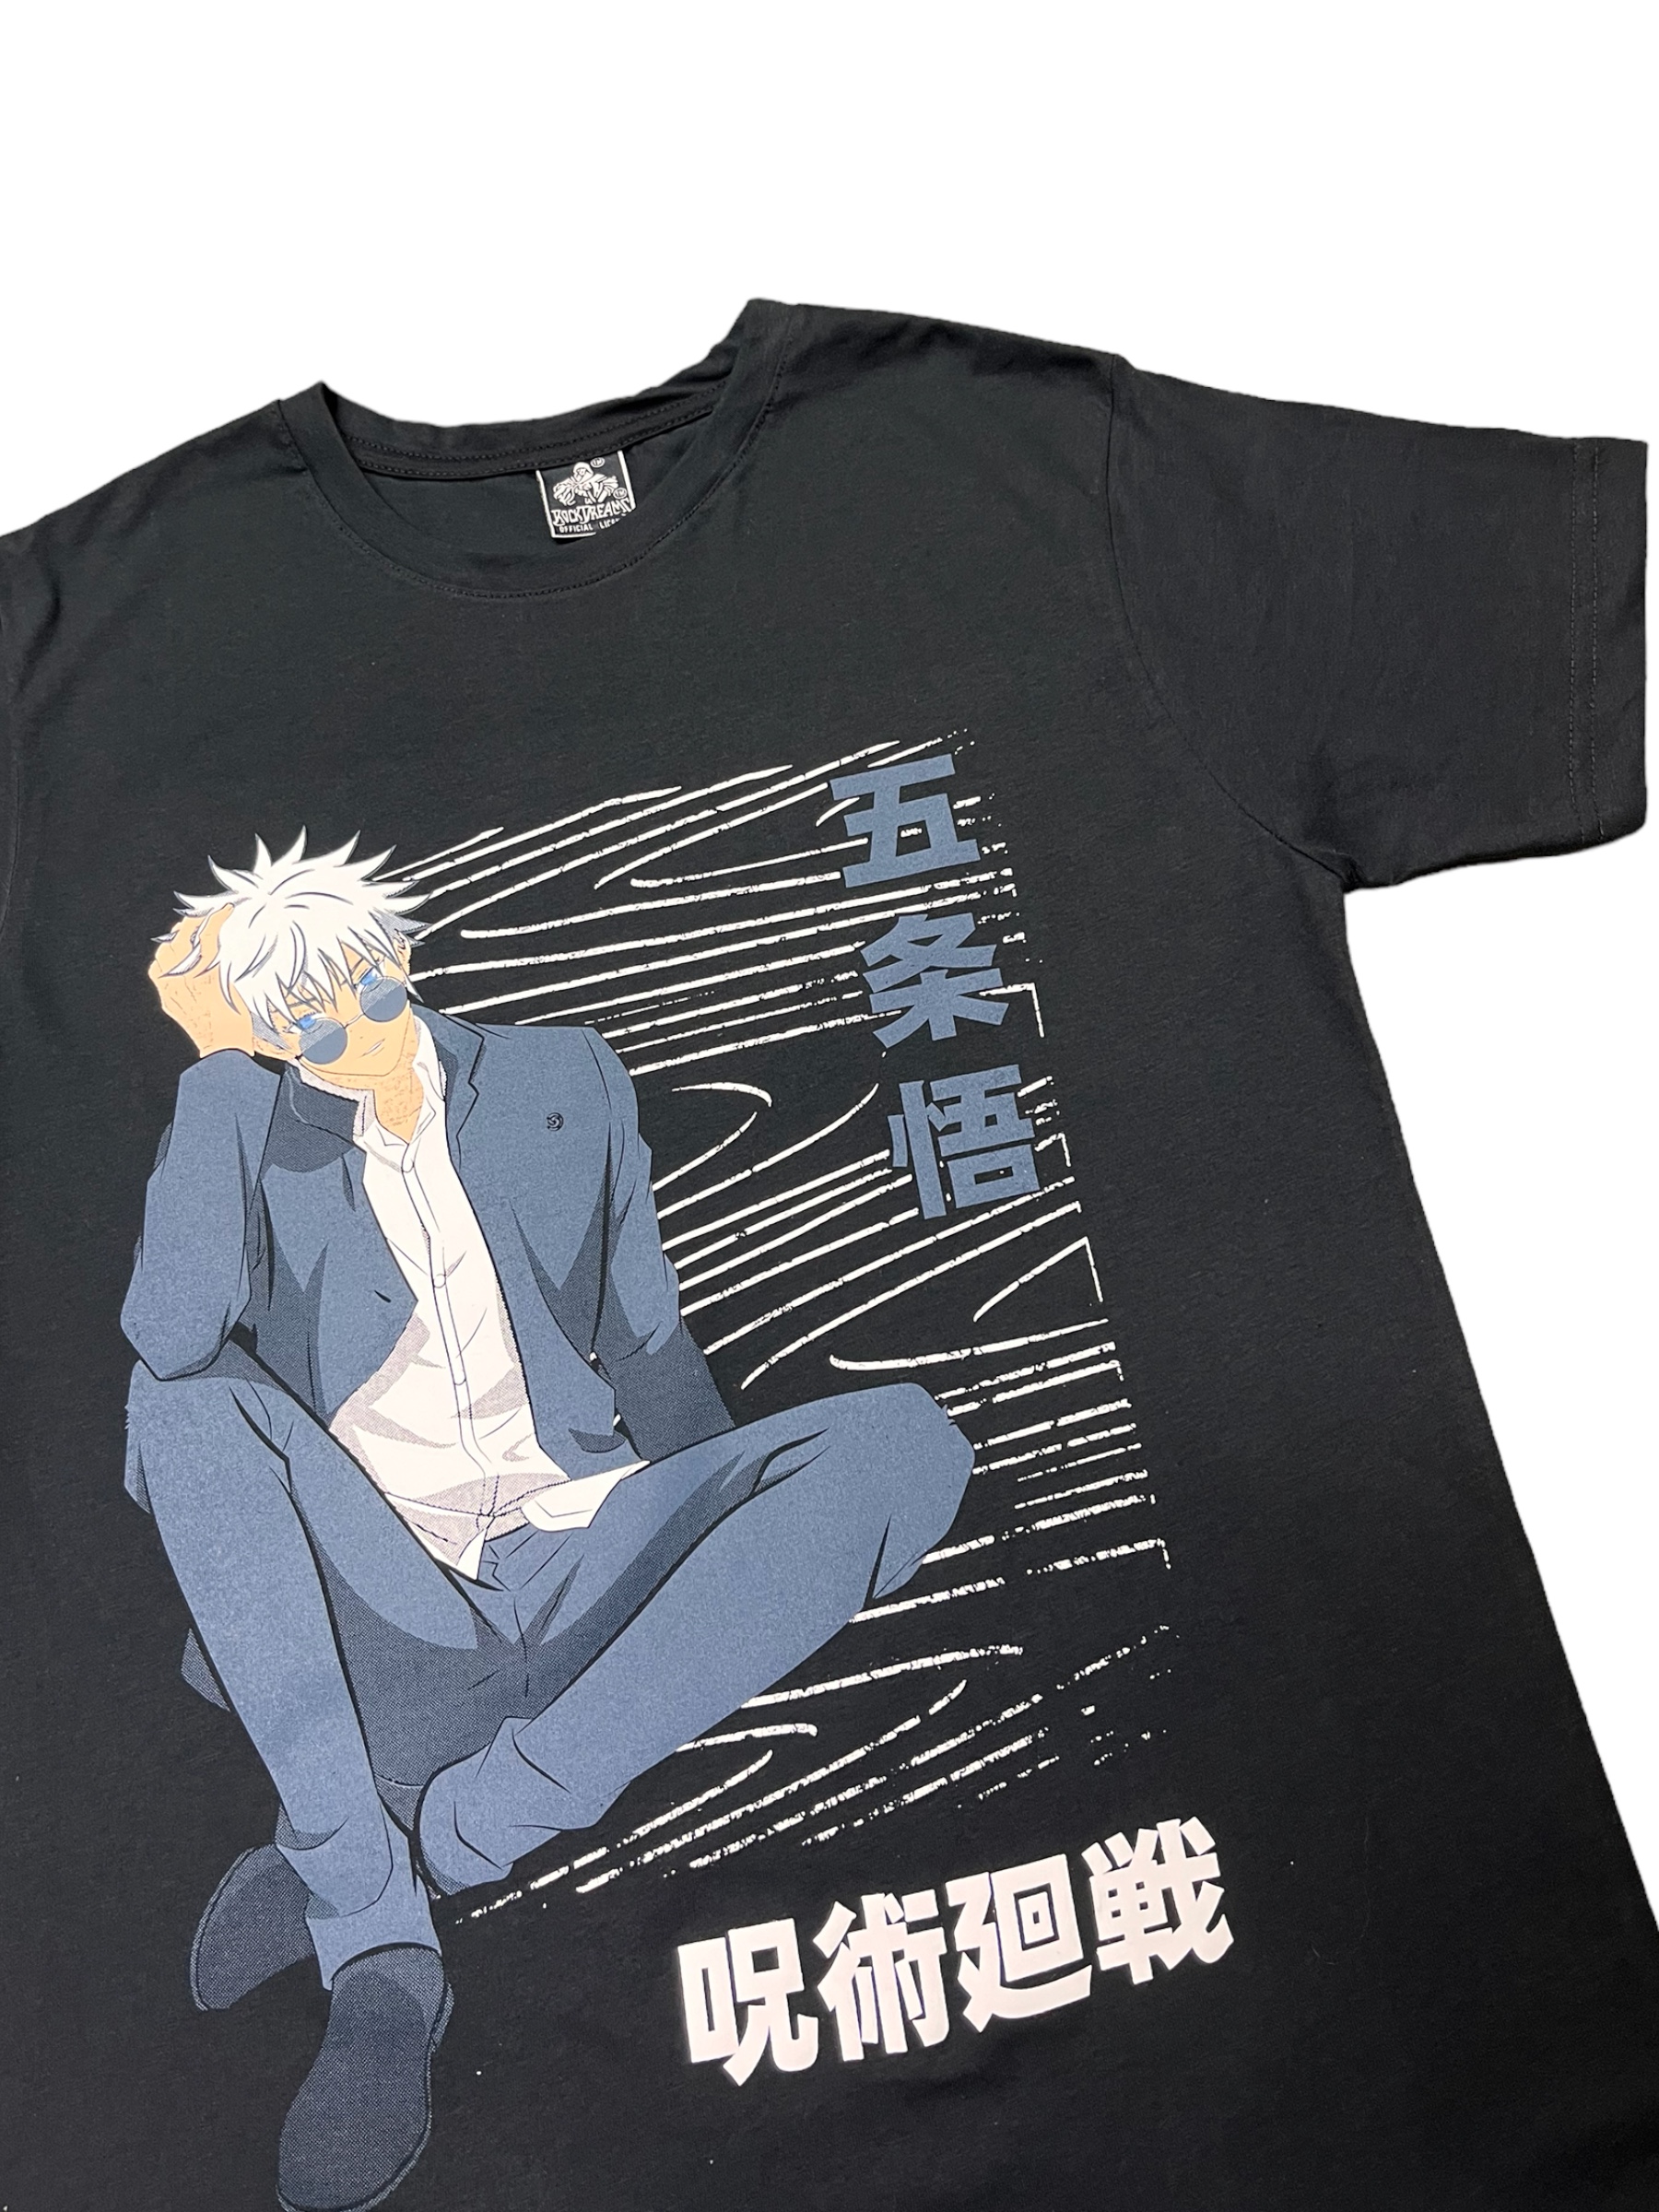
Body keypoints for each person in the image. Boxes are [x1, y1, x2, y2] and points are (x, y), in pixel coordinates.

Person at [122, 832, 972, 2212]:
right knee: (178, 1411)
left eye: (369, 992)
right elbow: (169, 1339)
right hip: (388, 1586)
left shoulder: (561, 1079)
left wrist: (719, 1547)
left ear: (400, 955)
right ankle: (379, 1946)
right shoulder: (247, 1131)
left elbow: (645, 1342)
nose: (355, 1036)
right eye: (308, 1027)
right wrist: (220, 1087)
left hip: (582, 1531)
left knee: (904, 1444)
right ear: (270, 1035)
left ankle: (449, 1831)